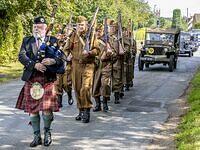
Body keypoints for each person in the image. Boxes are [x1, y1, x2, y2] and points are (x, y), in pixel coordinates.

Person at [16, 16, 64, 147]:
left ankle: (47, 133)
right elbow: (21, 55)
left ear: (45, 28)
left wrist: (53, 61)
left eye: (41, 27)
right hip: (32, 78)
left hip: (47, 79)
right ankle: (36, 136)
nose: (38, 28)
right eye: (35, 26)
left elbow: (61, 56)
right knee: (33, 109)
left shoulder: (52, 40)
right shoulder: (27, 40)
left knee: (47, 108)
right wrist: (34, 65)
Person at [63, 16, 99, 123]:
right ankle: (81, 110)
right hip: (75, 65)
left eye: (82, 25)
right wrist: (67, 56)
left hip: (88, 65)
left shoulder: (92, 36)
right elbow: (66, 49)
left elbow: (97, 50)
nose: (80, 27)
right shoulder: (73, 35)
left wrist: (89, 52)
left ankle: (87, 109)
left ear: (86, 25)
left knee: (85, 88)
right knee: (78, 89)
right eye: (78, 25)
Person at [92, 22, 113, 112]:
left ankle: (105, 103)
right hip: (95, 67)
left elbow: (115, 53)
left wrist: (108, 54)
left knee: (105, 85)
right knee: (95, 86)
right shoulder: (92, 41)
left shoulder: (108, 41)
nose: (98, 33)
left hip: (105, 66)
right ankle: (98, 104)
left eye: (100, 31)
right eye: (96, 31)